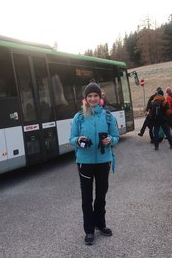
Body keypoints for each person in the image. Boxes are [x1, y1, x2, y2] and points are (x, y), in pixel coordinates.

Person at [69, 82, 120, 246]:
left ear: (100, 97)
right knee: (86, 198)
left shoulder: (107, 116)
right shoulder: (79, 117)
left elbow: (116, 137)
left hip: (104, 161)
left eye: (95, 96)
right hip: (85, 162)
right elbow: (71, 139)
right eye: (89, 96)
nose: (92, 98)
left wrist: (110, 140)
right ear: (86, 98)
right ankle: (89, 230)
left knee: (101, 195)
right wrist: (78, 140)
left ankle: (101, 224)